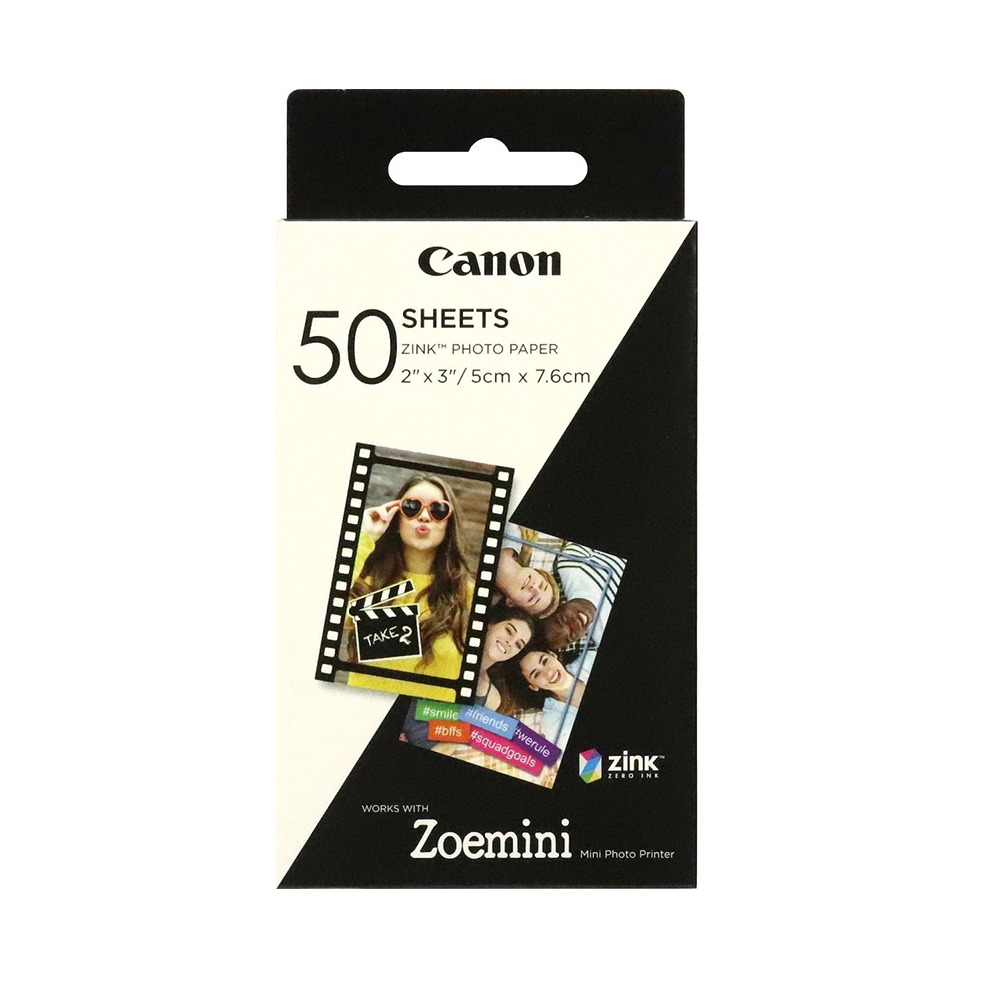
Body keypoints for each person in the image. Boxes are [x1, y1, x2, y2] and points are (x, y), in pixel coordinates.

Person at [344, 474, 473, 698]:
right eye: (411, 507)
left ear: (448, 524)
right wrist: (364, 537)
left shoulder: (469, 595)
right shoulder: (367, 584)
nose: (424, 516)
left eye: (438, 510)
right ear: (397, 518)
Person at [474, 604, 537, 707]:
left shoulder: (492, 700)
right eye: (509, 631)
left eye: (518, 645)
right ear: (492, 624)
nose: (510, 642)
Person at [495, 546, 560, 617]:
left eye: (531, 598)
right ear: (539, 572)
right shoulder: (515, 541)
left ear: (511, 603)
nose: (534, 588)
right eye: (541, 585)